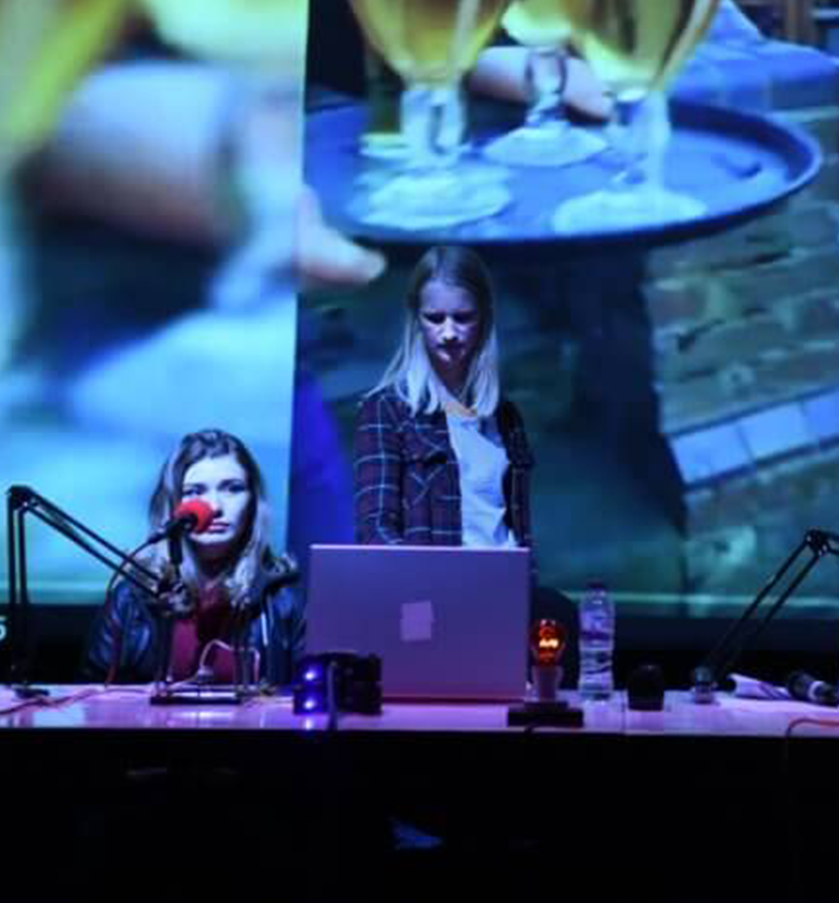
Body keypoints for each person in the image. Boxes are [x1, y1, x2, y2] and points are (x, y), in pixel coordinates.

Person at [82, 428, 304, 685]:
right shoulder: (131, 598)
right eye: (194, 492)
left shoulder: (284, 599)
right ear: (173, 504)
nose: (215, 507)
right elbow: (91, 697)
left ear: (253, 502)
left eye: (233, 489)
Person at [353, 245, 533, 548]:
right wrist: (424, 586)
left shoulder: (505, 416)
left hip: (503, 587)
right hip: (430, 591)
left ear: (485, 319)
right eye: (435, 318)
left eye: (463, 318)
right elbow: (376, 530)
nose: (448, 333)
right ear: (416, 322)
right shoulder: (386, 410)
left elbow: (519, 531)